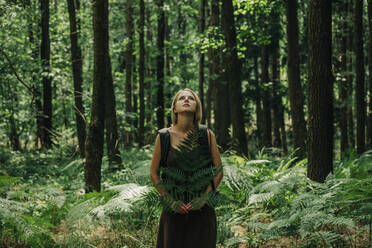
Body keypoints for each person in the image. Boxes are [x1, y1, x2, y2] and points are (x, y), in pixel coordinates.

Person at [150, 88, 223, 248]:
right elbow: (154, 173)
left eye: (191, 98)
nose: (186, 100)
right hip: (173, 211)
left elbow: (218, 171)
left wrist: (204, 198)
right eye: (181, 98)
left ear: (197, 107)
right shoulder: (163, 137)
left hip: (202, 211)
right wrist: (170, 200)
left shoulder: (206, 135)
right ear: (175, 108)